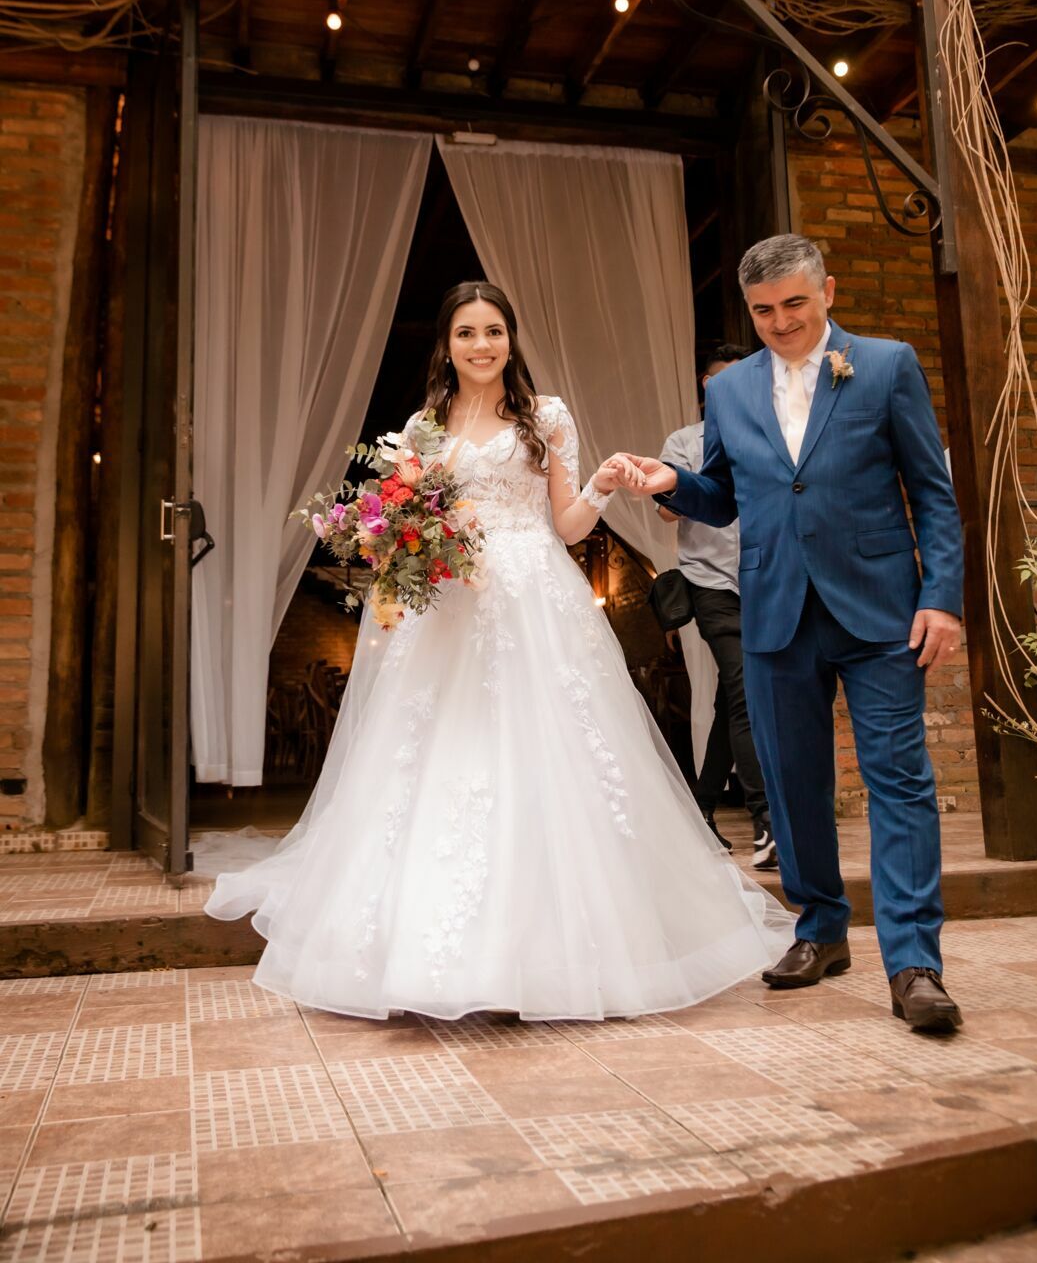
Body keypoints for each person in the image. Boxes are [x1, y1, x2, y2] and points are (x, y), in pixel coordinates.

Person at [204, 281, 794, 1020]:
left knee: (548, 751)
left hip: (532, 597)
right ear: (446, 347)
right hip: (448, 603)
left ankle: (560, 951)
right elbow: (410, 518)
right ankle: (425, 950)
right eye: (466, 334)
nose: (481, 346)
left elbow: (570, 526)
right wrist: (401, 546)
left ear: (510, 338)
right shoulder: (424, 425)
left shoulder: (546, 417)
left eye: (493, 331)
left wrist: (605, 486)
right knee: (437, 748)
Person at [627, 235, 966, 1034]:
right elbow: (721, 495)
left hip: (882, 611)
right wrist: (673, 482)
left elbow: (932, 490)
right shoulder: (731, 390)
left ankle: (914, 961)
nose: (779, 322)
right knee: (791, 784)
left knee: (899, 780)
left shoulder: (886, 365)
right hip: (775, 609)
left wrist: (942, 597)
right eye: (763, 310)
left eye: (794, 304)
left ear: (828, 292)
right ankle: (819, 929)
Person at [659, 344, 776, 870]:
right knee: (745, 693)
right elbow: (666, 514)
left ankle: (700, 809)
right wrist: (683, 487)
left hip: (766, 580)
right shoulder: (683, 443)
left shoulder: (768, 433)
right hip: (710, 584)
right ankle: (766, 823)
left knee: (735, 701)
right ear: (709, 386)